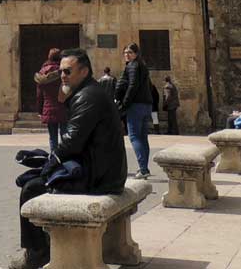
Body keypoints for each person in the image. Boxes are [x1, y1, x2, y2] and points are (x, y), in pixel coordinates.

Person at [11, 48, 126, 269]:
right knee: (39, 178)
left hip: (99, 178)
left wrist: (50, 162)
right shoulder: (88, 91)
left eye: (67, 71)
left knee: (32, 188)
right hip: (103, 170)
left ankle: (37, 253)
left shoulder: (88, 96)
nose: (62, 75)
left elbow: (72, 141)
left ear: (84, 71)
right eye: (61, 71)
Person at [114, 42, 153, 179]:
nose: (127, 55)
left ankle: (143, 169)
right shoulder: (143, 66)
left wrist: (124, 103)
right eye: (125, 52)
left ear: (136, 54)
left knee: (134, 136)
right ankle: (144, 168)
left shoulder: (132, 66)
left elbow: (132, 86)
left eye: (130, 52)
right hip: (145, 105)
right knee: (143, 137)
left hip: (136, 105)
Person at [34, 48, 68, 151]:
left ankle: (54, 158)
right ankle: (66, 157)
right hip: (64, 107)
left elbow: (39, 95)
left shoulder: (42, 73)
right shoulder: (64, 72)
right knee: (65, 135)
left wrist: (40, 110)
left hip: (49, 108)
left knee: (52, 137)